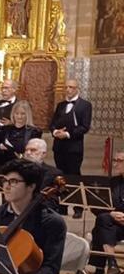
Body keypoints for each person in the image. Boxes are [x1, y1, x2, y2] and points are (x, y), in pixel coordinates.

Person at [50, 79, 92, 218]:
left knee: (74, 176)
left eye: (71, 87)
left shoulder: (85, 105)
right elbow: (53, 123)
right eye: (66, 87)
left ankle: (78, 207)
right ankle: (62, 206)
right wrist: (56, 132)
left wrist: (67, 134)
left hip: (74, 147)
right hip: (59, 147)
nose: (68, 89)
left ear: (77, 88)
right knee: (60, 177)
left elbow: (84, 127)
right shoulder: (61, 105)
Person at [84, 150, 124, 274]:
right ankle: (111, 263)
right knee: (103, 220)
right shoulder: (112, 182)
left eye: (120, 161)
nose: (116, 164)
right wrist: (111, 214)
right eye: (115, 160)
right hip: (114, 226)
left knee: (100, 228)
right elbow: (97, 205)